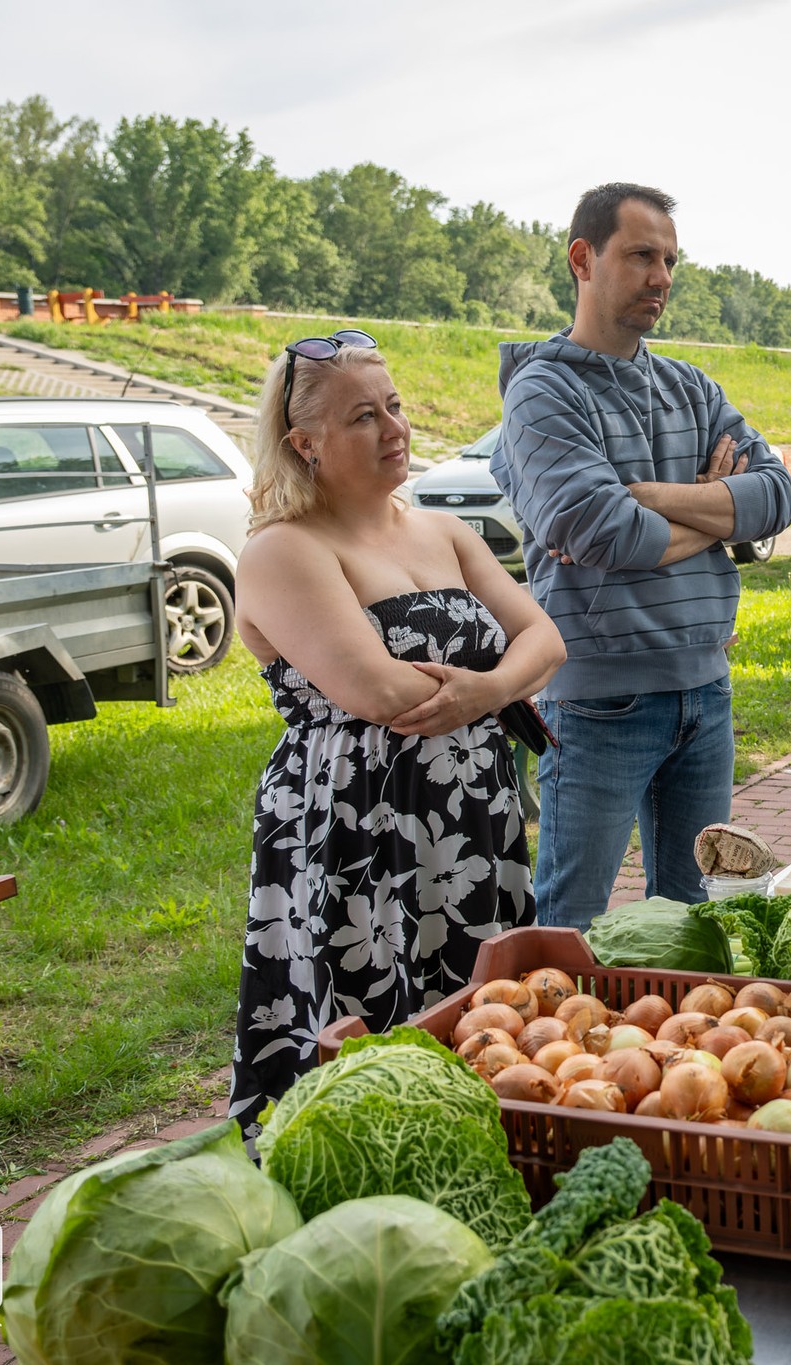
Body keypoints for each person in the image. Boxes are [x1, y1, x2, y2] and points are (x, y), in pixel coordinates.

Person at [228, 331, 565, 1139]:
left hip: (472, 814)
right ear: (304, 443)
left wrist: (484, 689)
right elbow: (374, 688)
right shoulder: (282, 550)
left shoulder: (443, 532)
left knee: (478, 1006)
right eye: (362, 418)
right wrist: (497, 686)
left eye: (395, 406)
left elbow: (547, 641)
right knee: (367, 1020)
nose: (393, 428)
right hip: (360, 820)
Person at [492, 183, 791, 929]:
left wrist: (652, 496)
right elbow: (604, 530)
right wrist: (714, 509)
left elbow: (779, 496)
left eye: (669, 260)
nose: (661, 276)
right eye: (640, 256)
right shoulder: (542, 393)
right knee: (571, 926)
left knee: (698, 921)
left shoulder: (691, 386)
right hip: (600, 704)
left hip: (707, 695)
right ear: (582, 259)